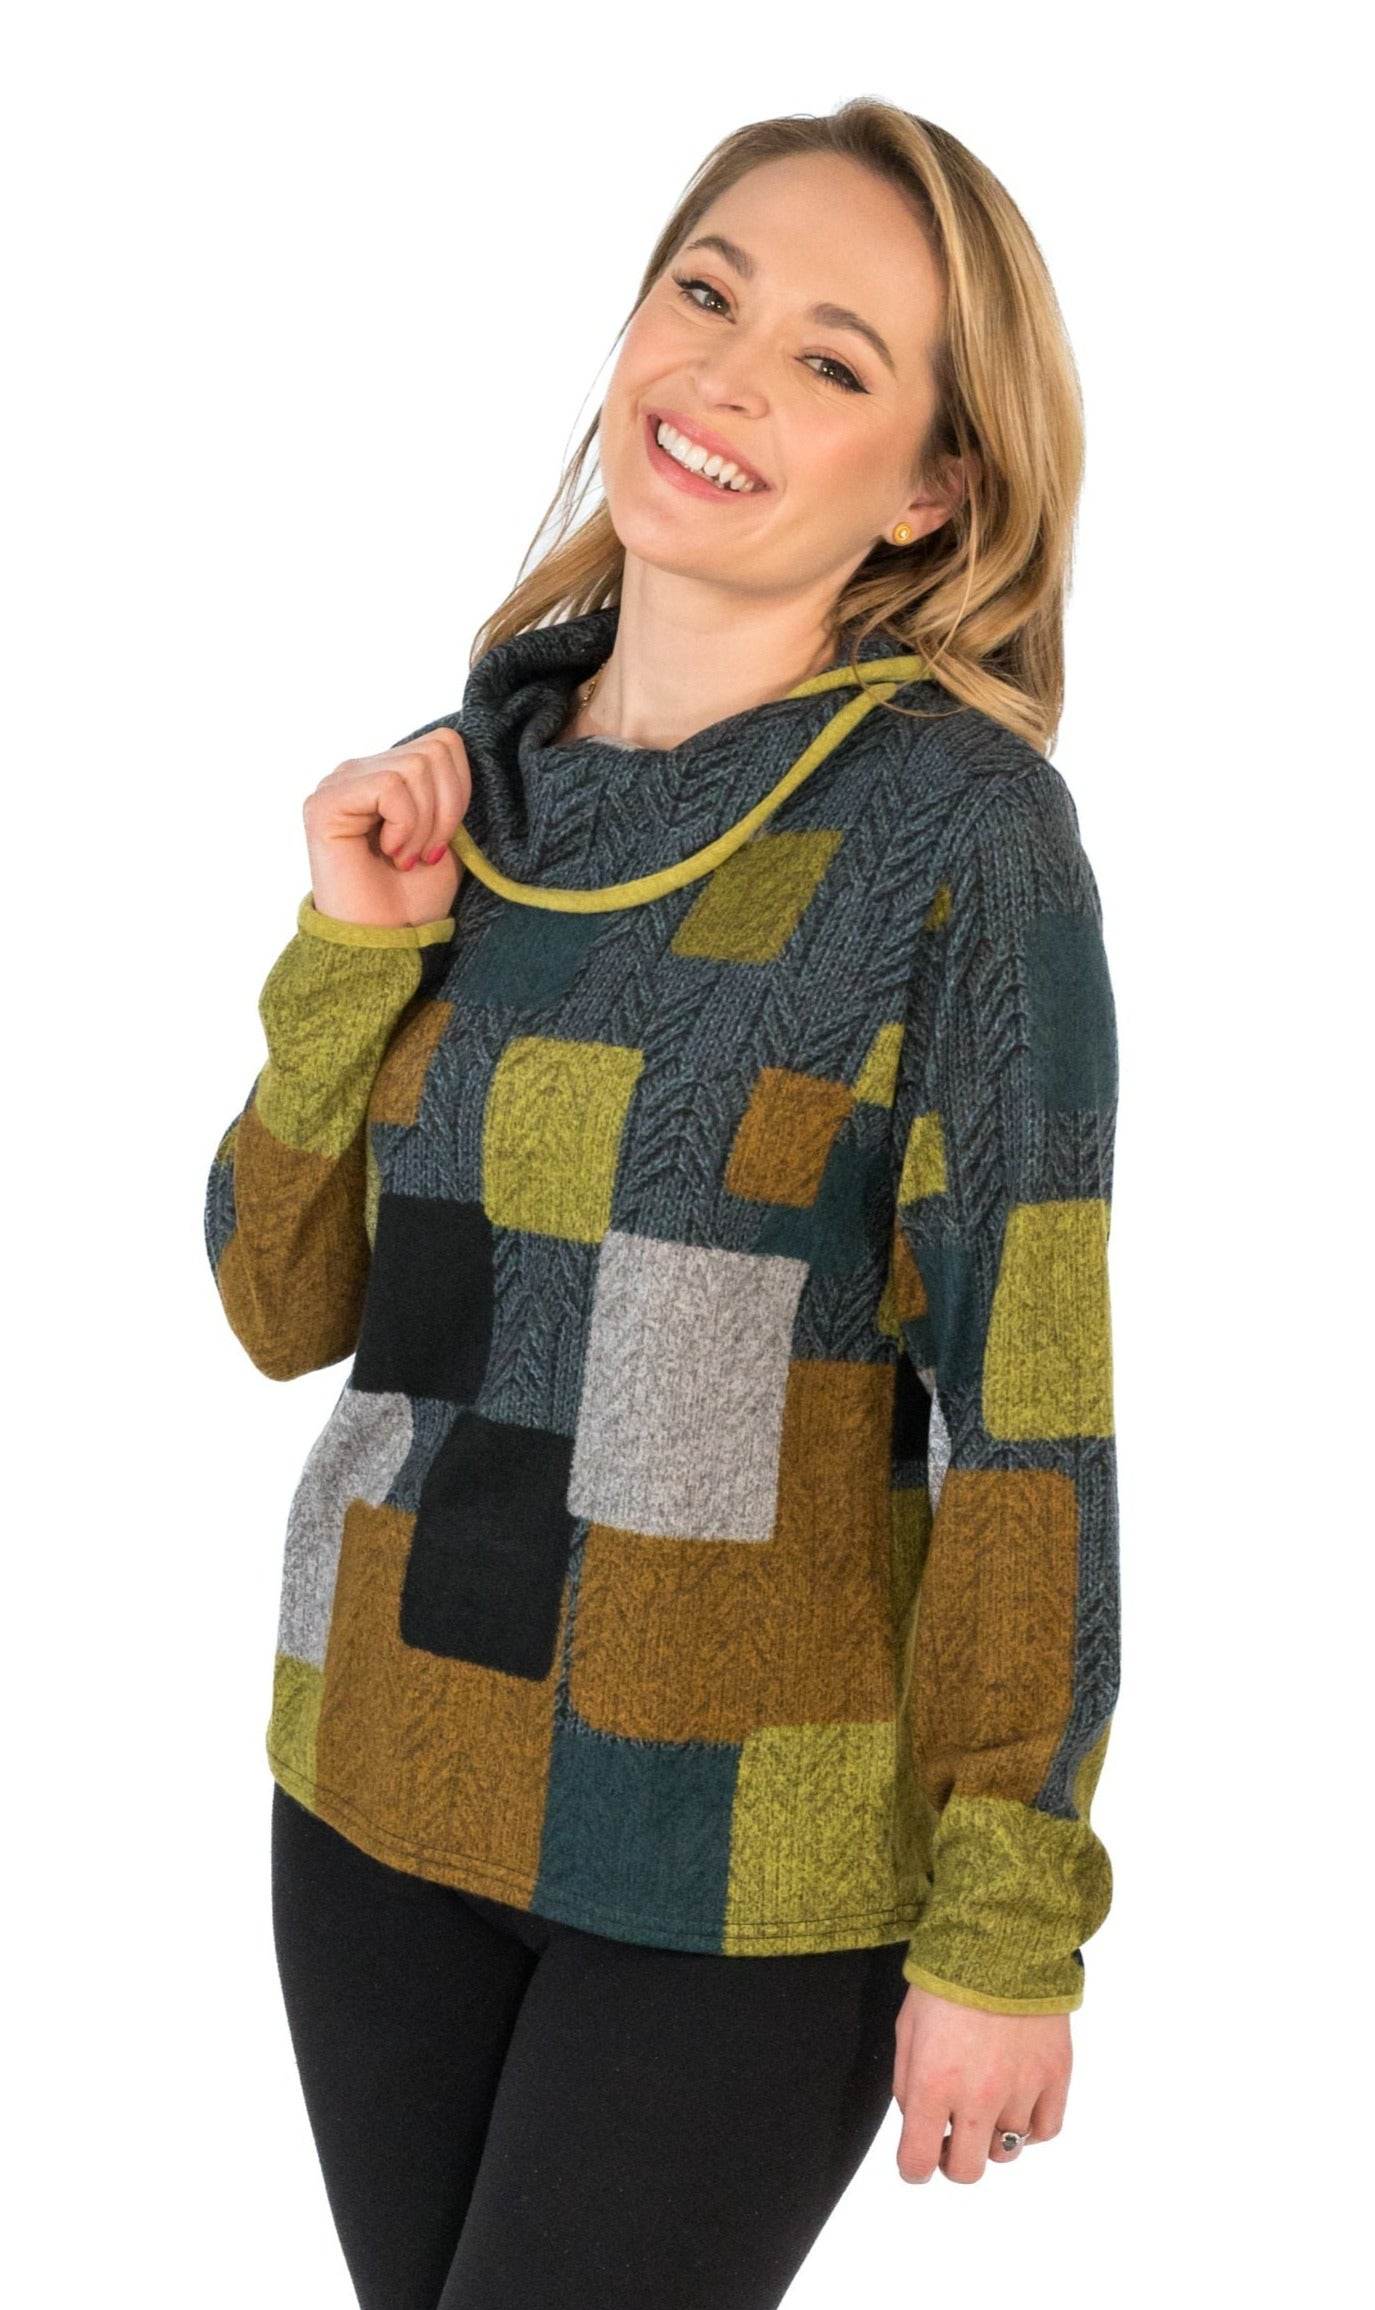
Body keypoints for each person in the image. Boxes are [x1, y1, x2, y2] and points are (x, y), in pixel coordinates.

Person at [204, 97, 1121, 2310]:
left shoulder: (956, 834)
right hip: (374, 1776)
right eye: (707, 292)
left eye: (831, 357)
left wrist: (1008, 1918)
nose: (726, 373)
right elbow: (279, 1300)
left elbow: (1024, 1412)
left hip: (738, 1851)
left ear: (930, 486)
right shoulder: (470, 787)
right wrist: (348, 955)